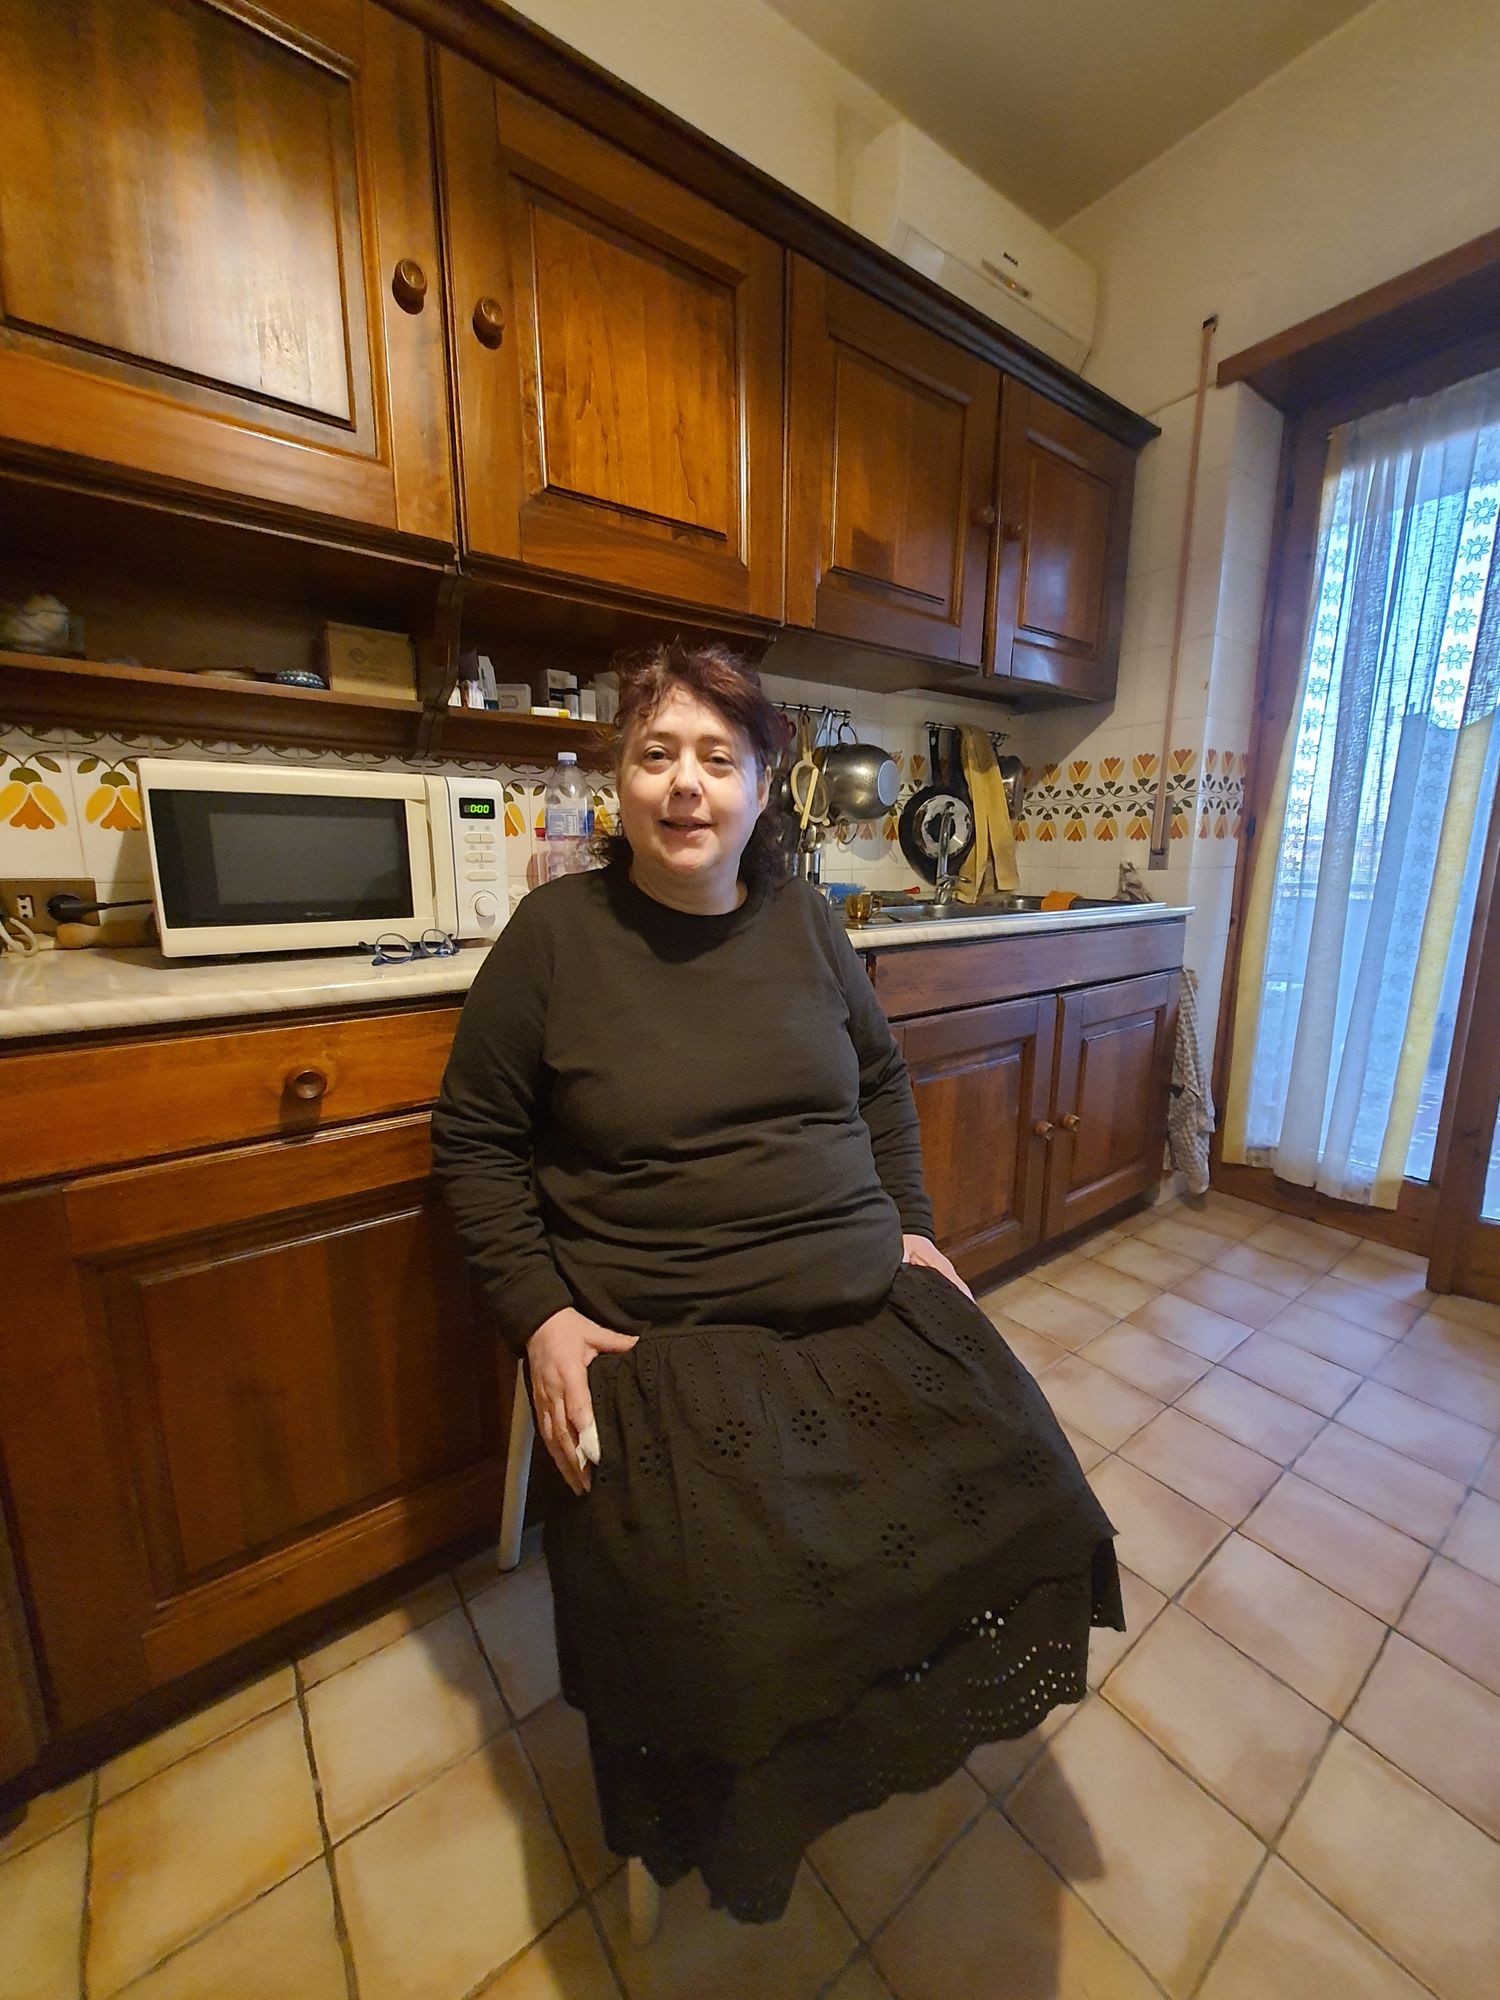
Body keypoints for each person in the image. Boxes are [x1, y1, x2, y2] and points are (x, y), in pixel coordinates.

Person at [431, 643, 1122, 1924]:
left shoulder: (806, 919)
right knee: (732, 1626)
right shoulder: (553, 938)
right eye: (656, 756)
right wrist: (538, 1314)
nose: (685, 786)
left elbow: (877, 1081)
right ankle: (753, 1822)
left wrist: (915, 1226)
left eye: (717, 759)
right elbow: (473, 1142)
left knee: (1035, 1494)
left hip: (862, 1288)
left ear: (762, 789)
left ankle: (874, 1739)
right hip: (670, 1338)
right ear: (617, 785)